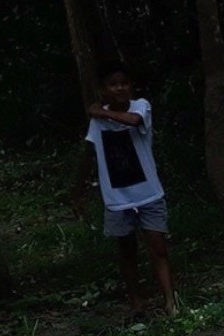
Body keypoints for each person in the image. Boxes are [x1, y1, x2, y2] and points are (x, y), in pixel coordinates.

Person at [74, 66, 176, 320]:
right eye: (112, 84)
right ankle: (137, 306)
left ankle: (170, 302)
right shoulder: (97, 121)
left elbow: (134, 121)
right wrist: (78, 190)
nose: (119, 89)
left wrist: (99, 112)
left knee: (158, 247)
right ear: (103, 89)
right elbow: (89, 152)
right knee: (127, 251)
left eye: (124, 83)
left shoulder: (140, 106)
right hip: (117, 197)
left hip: (148, 192)